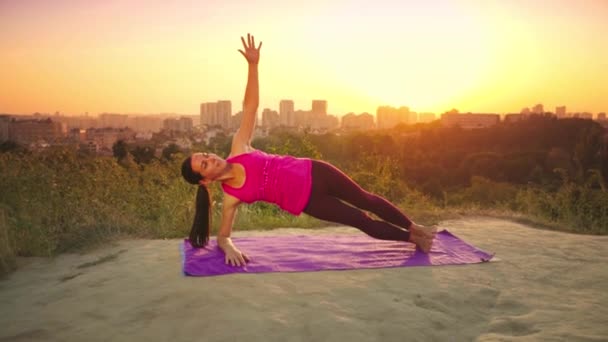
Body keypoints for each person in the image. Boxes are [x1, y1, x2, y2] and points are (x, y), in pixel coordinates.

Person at [181, 33, 437, 267]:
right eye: (204, 164)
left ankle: (416, 227)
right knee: (361, 219)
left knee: (365, 198)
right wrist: (228, 247)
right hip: (309, 201)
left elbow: (250, 106)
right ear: (205, 180)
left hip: (315, 171)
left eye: (205, 155)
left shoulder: (238, 147)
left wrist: (253, 66)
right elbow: (223, 237)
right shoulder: (231, 198)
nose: (210, 158)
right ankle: (414, 239)